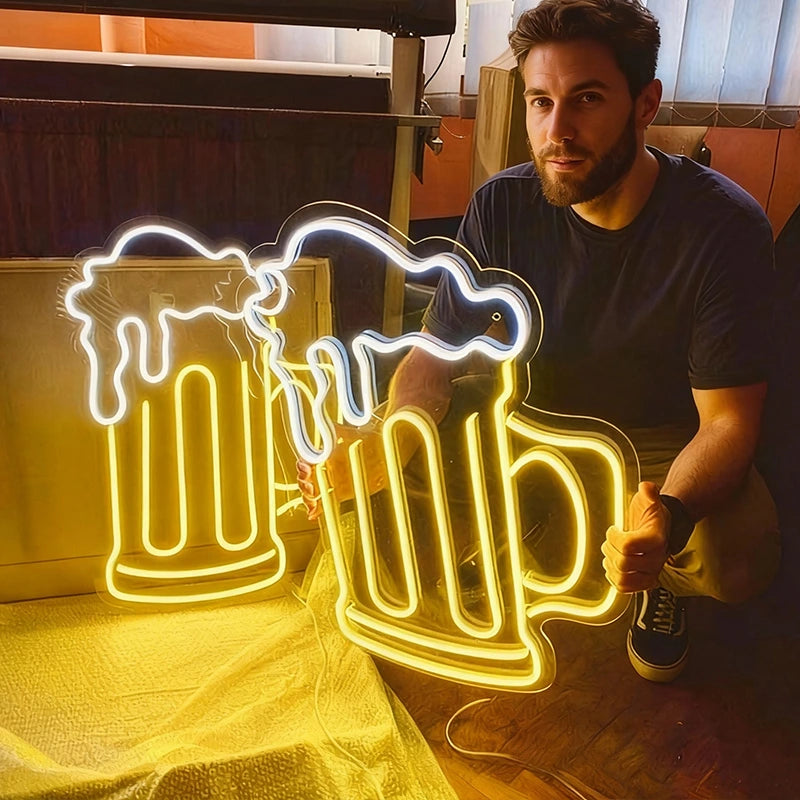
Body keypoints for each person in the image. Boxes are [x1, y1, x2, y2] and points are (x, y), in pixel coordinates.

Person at [299, 0, 780, 683]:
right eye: (541, 102)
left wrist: (667, 517)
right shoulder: (502, 204)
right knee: (366, 487)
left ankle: (654, 578)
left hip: (661, 443)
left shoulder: (723, 226)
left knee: (738, 554)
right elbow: (433, 355)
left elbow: (729, 423)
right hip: (530, 417)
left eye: (587, 100)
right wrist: (388, 443)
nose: (558, 131)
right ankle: (523, 538)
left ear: (645, 104)